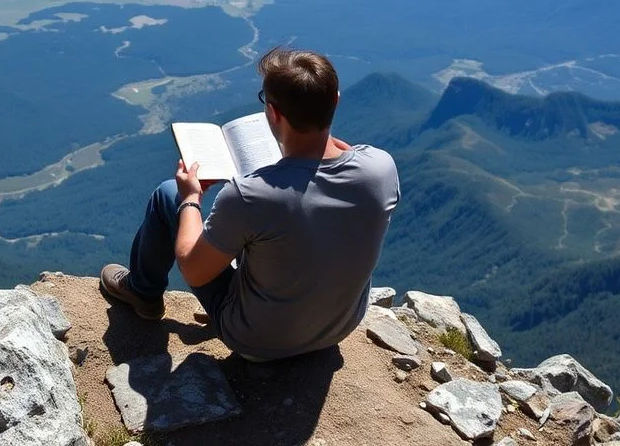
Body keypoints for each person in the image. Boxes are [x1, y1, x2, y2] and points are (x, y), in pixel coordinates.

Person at [100, 46, 401, 362]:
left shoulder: (250, 195)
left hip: (257, 341)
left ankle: (142, 293)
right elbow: (341, 159)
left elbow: (193, 270)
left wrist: (191, 198)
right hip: (338, 328)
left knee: (167, 194)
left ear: (272, 113)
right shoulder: (381, 168)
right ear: (336, 101)